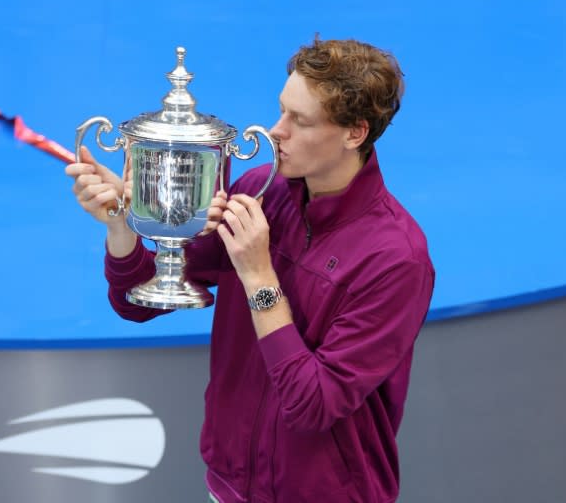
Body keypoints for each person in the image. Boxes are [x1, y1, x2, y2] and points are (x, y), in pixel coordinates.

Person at [66, 37, 435, 503]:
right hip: (228, 487)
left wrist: (259, 276)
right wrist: (123, 223)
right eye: (281, 110)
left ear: (354, 133)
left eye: (299, 121)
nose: (276, 130)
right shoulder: (258, 190)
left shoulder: (395, 259)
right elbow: (136, 302)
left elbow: (313, 404)